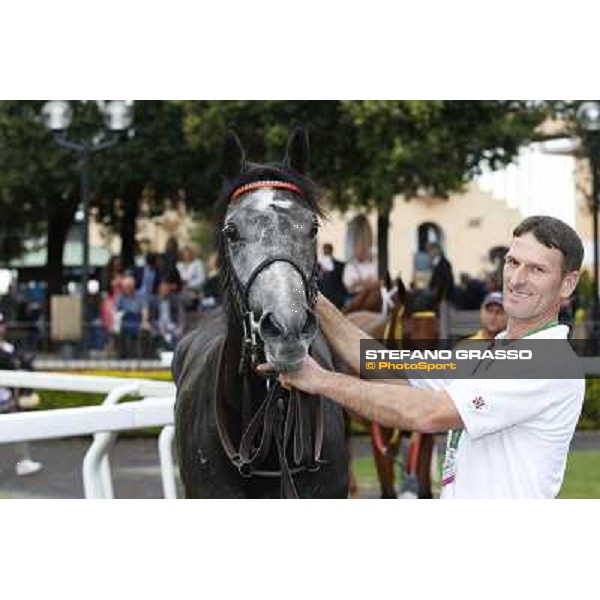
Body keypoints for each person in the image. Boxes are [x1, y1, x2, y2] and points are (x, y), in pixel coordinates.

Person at [258, 215, 585, 499]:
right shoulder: (490, 353)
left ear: (568, 284)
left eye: (537, 269)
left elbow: (427, 414)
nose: (516, 279)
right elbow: (386, 365)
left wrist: (320, 380)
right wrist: (308, 292)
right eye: (513, 262)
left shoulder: (548, 360)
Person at [0, 312, 43, 476]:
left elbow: (24, 366)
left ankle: (23, 462)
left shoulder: (10, 348)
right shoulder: (8, 351)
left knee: (17, 429)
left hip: (7, 399)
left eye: (1, 324)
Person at [114, 271, 151, 359]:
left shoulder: (140, 295)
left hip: (137, 321)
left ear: (133, 286)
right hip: (124, 321)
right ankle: (121, 357)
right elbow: (116, 311)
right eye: (126, 287)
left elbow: (144, 309)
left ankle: (142, 357)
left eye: (129, 286)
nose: (128, 288)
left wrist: (144, 321)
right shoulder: (120, 297)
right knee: (117, 331)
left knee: (145, 330)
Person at [148, 281, 186, 351]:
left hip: (172, 324)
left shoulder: (175, 300)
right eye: (163, 289)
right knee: (155, 333)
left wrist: (180, 327)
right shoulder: (154, 301)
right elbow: (152, 318)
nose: (164, 291)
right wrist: (159, 328)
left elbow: (181, 316)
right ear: (159, 290)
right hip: (158, 325)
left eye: (166, 289)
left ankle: (174, 353)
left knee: (177, 334)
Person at [318, 243, 347, 309]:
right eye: (325, 250)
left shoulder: (339, 265)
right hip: (322, 296)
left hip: (335, 298)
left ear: (331, 251)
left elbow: (342, 282)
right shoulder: (318, 265)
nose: (326, 251)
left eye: (328, 250)